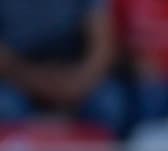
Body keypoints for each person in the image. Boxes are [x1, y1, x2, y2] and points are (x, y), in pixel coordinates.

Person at [0, 0, 128, 135]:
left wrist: (76, 84)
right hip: (18, 81)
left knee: (109, 104)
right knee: (5, 107)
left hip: (77, 80)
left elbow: (102, 49)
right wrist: (38, 81)